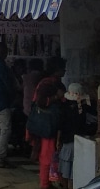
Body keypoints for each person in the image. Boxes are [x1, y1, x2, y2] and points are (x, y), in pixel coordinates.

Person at [33, 57, 67, 189]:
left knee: (50, 156)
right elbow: (40, 102)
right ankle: (45, 184)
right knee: (47, 156)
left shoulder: (48, 82)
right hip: (48, 126)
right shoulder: (49, 84)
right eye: (63, 68)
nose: (64, 71)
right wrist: (57, 97)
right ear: (57, 70)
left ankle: (48, 182)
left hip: (49, 125)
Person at [59, 83, 96, 189]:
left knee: (65, 173)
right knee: (74, 175)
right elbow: (93, 124)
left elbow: (60, 127)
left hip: (68, 144)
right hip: (82, 143)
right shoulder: (86, 109)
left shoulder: (64, 108)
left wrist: (58, 142)